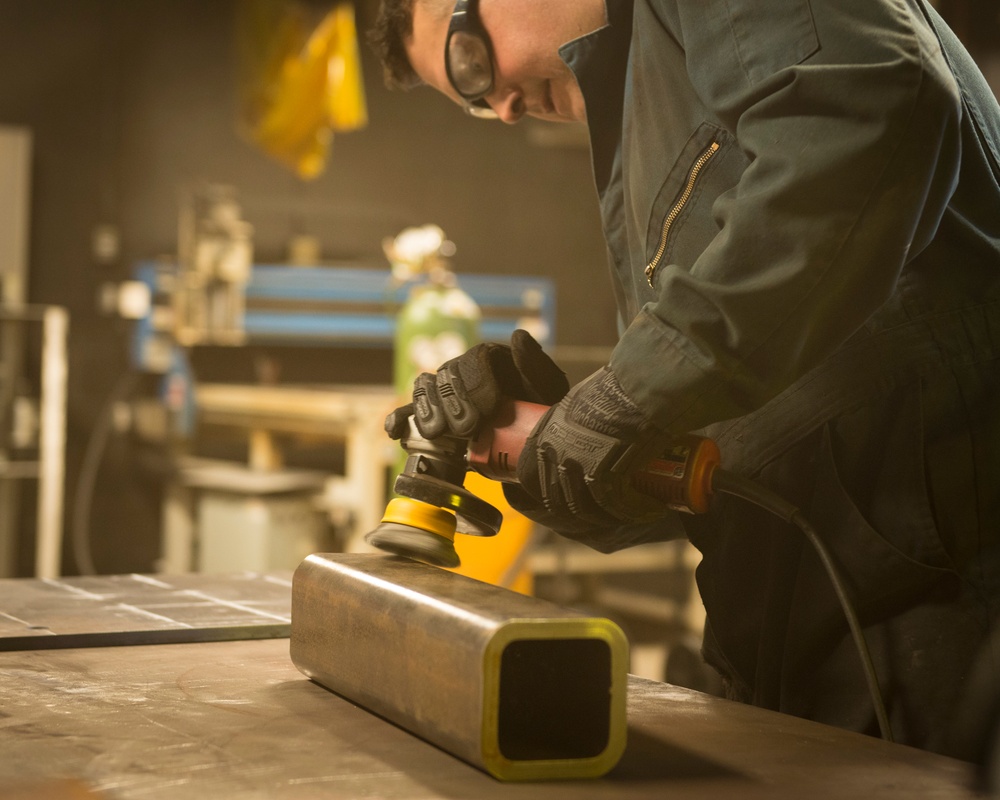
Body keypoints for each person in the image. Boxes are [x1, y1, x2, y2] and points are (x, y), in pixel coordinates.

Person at [369, 0, 1000, 759]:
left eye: (472, 61)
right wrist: (553, 437)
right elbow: (732, 442)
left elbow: (868, 101)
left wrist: (635, 392)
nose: (501, 105)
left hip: (947, 615)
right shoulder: (649, 104)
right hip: (805, 647)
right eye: (473, 101)